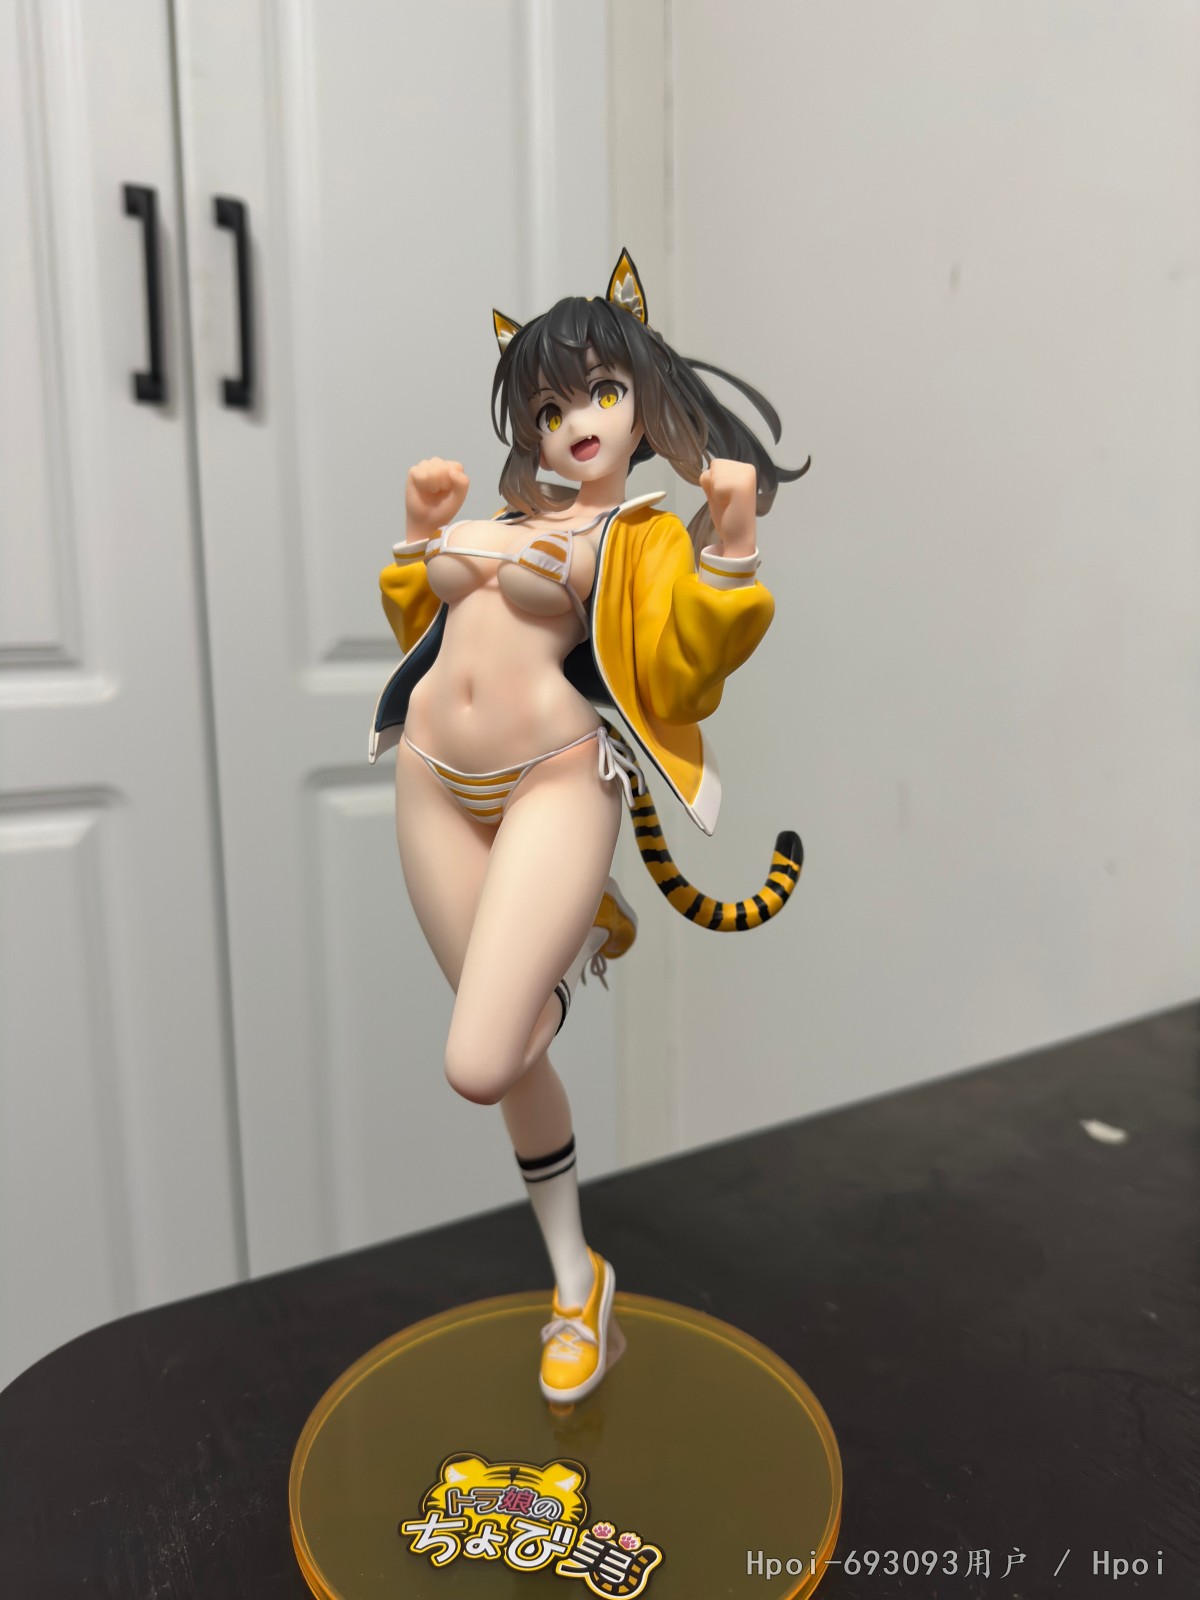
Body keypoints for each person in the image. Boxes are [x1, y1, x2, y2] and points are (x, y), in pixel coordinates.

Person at [370, 250, 808, 1404]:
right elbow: (425, 631)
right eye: (552, 407)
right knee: (517, 1059)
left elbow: (683, 673)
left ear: (645, 400)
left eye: (604, 393)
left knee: (482, 1055)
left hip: (555, 783)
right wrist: (421, 536)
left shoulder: (644, 536)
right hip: (428, 779)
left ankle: (566, 940)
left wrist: (732, 550)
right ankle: (577, 1280)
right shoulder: (504, 519)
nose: (579, 424)